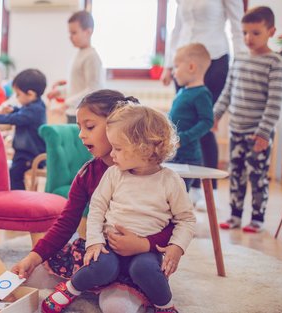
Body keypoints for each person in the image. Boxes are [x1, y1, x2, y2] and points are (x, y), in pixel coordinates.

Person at [11, 90, 175, 313]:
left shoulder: (154, 176)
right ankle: (90, 282)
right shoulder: (88, 173)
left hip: (140, 258)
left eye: (89, 127)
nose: (81, 135)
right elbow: (66, 223)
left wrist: (143, 245)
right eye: (79, 127)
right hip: (100, 255)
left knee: (116, 307)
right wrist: (33, 257)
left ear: (117, 126)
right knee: (28, 278)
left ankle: (120, 288)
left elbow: (174, 225)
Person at [42, 105, 196, 313]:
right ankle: (70, 289)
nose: (112, 154)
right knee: (101, 266)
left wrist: (177, 247)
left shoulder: (170, 180)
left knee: (146, 269)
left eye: (118, 148)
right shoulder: (115, 174)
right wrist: (94, 242)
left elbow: (185, 219)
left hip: (145, 251)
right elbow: (97, 207)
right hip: (108, 246)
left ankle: (165, 306)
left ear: (144, 148)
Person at [161, 0, 247, 210]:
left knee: (206, 127)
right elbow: (176, 28)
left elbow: (238, 24)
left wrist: (243, 63)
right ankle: (188, 189)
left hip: (214, 60)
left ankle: (211, 190)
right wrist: (168, 65)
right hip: (183, 61)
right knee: (183, 123)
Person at [215, 6, 282, 233]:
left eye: (256, 33)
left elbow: (274, 102)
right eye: (245, 32)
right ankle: (235, 215)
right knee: (235, 175)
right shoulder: (239, 59)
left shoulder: (275, 63)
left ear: (271, 31)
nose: (248, 38)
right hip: (236, 129)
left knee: (257, 178)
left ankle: (257, 218)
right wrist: (215, 115)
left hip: (258, 133)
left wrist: (263, 132)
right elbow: (227, 92)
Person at [0, 68, 47, 190]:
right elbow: (21, 113)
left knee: (14, 176)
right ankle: (19, 196)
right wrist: (14, 109)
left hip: (31, 156)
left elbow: (14, 119)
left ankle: (20, 198)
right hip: (25, 154)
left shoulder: (34, 110)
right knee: (12, 174)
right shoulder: (35, 106)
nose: (16, 98)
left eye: (18, 94)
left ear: (30, 94)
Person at [167, 43, 214, 190]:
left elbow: (207, 122)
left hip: (187, 156)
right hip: (175, 152)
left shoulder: (201, 93)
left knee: (178, 194)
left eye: (176, 66)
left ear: (191, 67)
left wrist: (183, 138)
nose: (173, 72)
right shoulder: (182, 91)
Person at [47, 10, 104, 124]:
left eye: (74, 33)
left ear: (88, 32)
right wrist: (60, 92)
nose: (70, 37)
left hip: (85, 114)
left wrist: (66, 103)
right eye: (69, 33)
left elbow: (93, 89)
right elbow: (77, 86)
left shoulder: (91, 57)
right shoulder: (79, 54)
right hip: (74, 111)